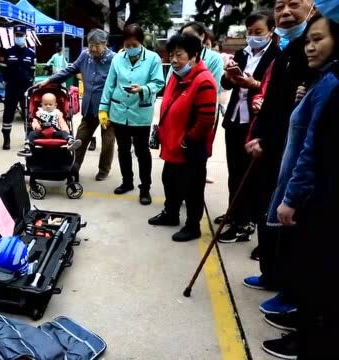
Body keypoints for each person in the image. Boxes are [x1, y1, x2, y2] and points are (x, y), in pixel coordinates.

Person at [263, 15, 339, 359]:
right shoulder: (323, 81)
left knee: (314, 273)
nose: (310, 46)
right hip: (313, 194)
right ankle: (304, 325)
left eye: (318, 39)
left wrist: (291, 197)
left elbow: (313, 148)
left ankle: (307, 340)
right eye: (308, 39)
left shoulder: (333, 84)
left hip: (316, 199)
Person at [243, 0, 315, 327]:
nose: (285, 12)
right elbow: (271, 103)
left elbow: (297, 113)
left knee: (289, 225)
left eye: (294, 5)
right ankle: (270, 274)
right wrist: (258, 136)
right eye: (279, 6)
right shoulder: (285, 50)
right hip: (271, 150)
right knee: (265, 213)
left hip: (294, 154)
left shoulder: (311, 51)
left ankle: (289, 291)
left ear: (312, 7)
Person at [217, 12, 281, 243]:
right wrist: (229, 74)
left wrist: (254, 84)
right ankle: (234, 214)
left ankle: (244, 223)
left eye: (258, 32)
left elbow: (273, 92)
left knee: (250, 176)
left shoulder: (277, 56)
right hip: (235, 119)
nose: (253, 37)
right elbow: (226, 84)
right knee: (234, 172)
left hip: (254, 123)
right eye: (250, 32)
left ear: (271, 31)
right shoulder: (242, 53)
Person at [147, 34, 217, 242]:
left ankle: (192, 226)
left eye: (179, 55)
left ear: (194, 55)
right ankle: (171, 214)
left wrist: (188, 139)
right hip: (172, 144)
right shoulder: (176, 76)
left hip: (189, 148)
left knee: (192, 189)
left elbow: (206, 119)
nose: (174, 60)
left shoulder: (204, 81)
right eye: (171, 55)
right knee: (169, 181)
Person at [97, 24, 165, 204]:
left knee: (142, 152)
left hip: (140, 113)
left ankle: (145, 188)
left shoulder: (153, 59)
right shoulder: (118, 59)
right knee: (123, 149)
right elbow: (109, 84)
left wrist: (142, 89)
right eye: (127, 45)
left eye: (134, 44)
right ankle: (127, 182)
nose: (131, 48)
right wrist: (103, 109)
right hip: (119, 111)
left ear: (141, 43)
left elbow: (159, 83)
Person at [40, 29, 117, 181]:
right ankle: (74, 165)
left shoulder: (115, 59)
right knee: (80, 138)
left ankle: (104, 169)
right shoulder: (84, 55)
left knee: (108, 142)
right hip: (89, 106)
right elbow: (70, 69)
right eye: (90, 45)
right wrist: (50, 80)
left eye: (96, 45)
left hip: (107, 109)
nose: (93, 49)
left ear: (105, 44)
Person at [0, 25, 36, 150]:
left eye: (21, 35)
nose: (18, 37)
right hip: (12, 88)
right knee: (8, 113)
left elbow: (32, 72)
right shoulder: (8, 51)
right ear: (13, 35)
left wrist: (29, 82)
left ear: (25, 36)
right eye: (17, 35)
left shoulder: (31, 53)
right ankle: (6, 139)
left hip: (25, 89)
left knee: (28, 114)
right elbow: (2, 70)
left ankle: (28, 139)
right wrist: (8, 81)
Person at [17, 92, 81, 157]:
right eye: (45, 104)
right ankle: (28, 148)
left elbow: (62, 123)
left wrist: (65, 130)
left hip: (55, 132)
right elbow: (35, 121)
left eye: (50, 104)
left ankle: (70, 142)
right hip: (41, 132)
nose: (48, 106)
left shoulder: (58, 113)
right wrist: (36, 127)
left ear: (55, 105)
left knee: (63, 133)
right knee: (31, 134)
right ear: (41, 104)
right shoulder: (38, 113)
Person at [176, 22, 225, 93]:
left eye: (189, 35)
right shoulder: (178, 56)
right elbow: (170, 82)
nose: (186, 39)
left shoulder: (215, 58)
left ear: (202, 36)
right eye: (183, 37)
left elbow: (214, 87)